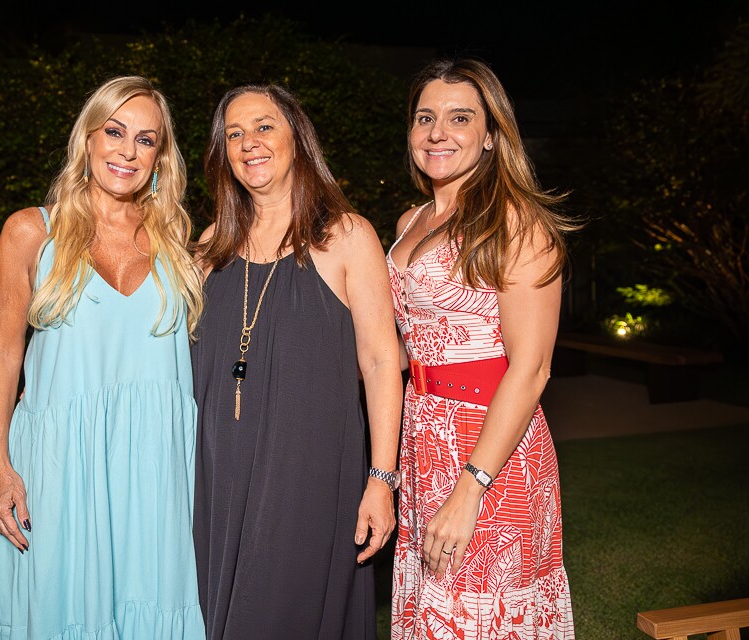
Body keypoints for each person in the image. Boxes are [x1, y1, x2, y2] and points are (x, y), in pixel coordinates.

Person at [0, 75, 206, 639]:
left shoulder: (183, 244)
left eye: (146, 139)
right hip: (61, 461)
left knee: (154, 602)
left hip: (157, 464)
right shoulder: (31, 231)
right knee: (62, 607)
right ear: (88, 139)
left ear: (161, 157)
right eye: (115, 131)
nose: (127, 150)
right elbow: (3, 350)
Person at [191, 84, 403, 639]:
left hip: (306, 478)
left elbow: (382, 361)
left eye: (263, 127)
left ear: (297, 139)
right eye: (233, 134)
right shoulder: (208, 246)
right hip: (219, 476)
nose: (248, 143)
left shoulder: (348, 236)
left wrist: (381, 477)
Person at [387, 58, 578, 639]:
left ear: (492, 135)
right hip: (421, 438)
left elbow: (533, 368)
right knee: (432, 606)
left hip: (491, 451)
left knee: (482, 611)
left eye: (459, 118)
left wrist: (470, 487)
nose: (438, 132)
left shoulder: (518, 224)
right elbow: (398, 349)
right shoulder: (410, 220)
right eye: (425, 118)